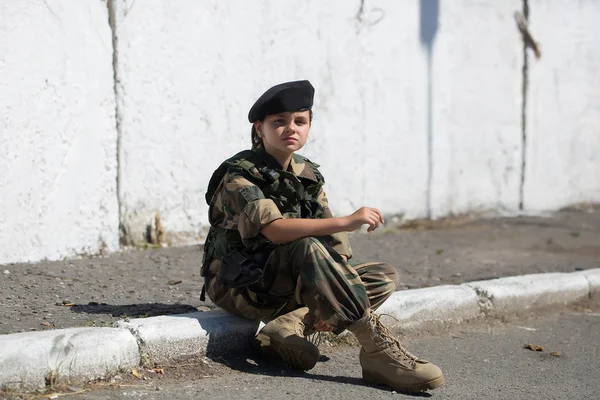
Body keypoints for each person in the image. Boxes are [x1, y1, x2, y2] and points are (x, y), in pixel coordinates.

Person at [200, 80, 444, 392]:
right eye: (280, 122)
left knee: (382, 276)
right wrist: (345, 222)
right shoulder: (239, 176)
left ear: (309, 126)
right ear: (260, 129)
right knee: (308, 246)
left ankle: (289, 326)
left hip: (285, 283)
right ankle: (377, 350)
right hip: (241, 285)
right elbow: (274, 229)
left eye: (300, 121)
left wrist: (336, 274)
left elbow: (333, 241)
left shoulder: (307, 174)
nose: (291, 128)